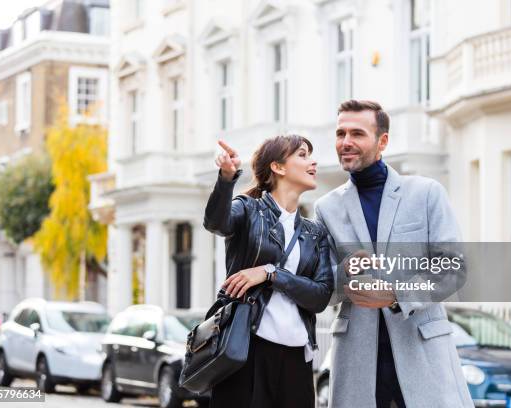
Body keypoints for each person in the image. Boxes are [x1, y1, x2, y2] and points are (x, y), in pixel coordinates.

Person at [314, 100, 473, 408]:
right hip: (357, 360)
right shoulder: (326, 208)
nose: (346, 142)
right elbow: (322, 290)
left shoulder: (426, 193)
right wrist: (343, 273)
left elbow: (453, 268)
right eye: (340, 133)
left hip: (422, 351)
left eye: (357, 133)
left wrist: (397, 295)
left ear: (382, 141)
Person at [203, 135, 334, 408]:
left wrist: (271, 273)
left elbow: (321, 296)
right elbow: (217, 223)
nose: (313, 161)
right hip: (246, 349)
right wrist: (227, 178)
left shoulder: (314, 232)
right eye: (302, 154)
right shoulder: (248, 210)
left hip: (297, 357)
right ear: (278, 167)